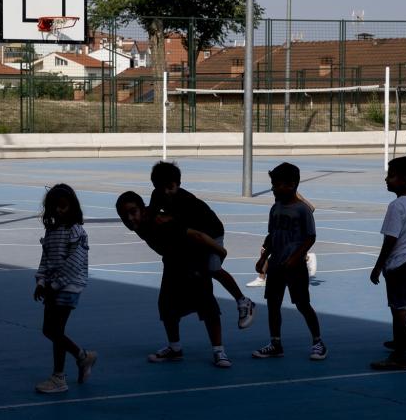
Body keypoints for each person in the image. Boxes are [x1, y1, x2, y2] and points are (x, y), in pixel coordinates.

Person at [116, 191, 232, 368]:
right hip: (172, 262)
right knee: (166, 306)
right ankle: (175, 348)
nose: (130, 218)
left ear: (143, 209)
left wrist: (220, 250)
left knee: (207, 305)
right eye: (124, 216)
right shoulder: (139, 226)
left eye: (133, 212)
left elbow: (195, 235)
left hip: (192, 258)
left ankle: (219, 350)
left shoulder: (160, 222)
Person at [148, 161, 255, 329]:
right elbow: (153, 216)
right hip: (194, 235)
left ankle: (243, 301)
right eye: (161, 188)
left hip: (211, 232)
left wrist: (169, 219)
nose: (166, 192)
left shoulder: (187, 201)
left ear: (179, 184)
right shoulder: (157, 195)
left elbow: (193, 232)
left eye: (170, 187)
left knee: (213, 269)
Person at [251, 163, 328, 361]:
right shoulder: (275, 208)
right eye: (273, 184)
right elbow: (271, 236)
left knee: (303, 304)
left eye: (277, 185)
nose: (273, 188)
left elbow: (310, 237)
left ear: (291, 185)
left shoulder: (302, 210)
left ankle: (318, 342)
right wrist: (263, 258)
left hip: (295, 267)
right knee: (273, 305)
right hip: (276, 265)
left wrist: (295, 258)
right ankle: (275, 343)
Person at [33, 183, 97, 394]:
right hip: (53, 286)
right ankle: (65, 370)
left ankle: (75, 363)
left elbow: (73, 265)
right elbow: (45, 259)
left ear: (72, 206)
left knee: (52, 330)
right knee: (53, 330)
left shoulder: (75, 231)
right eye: (55, 207)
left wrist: (53, 285)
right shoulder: (52, 231)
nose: (59, 211)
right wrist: (41, 282)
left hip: (68, 287)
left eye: (63, 206)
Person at [369, 156, 406, 370]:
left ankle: (400, 356)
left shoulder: (396, 206)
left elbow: (390, 239)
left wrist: (378, 267)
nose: (386, 179)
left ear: (403, 179)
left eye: (391, 175)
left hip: (401, 264)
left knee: (399, 311)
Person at [247, 192, 317, 287]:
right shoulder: (281, 191)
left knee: (267, 250)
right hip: (280, 228)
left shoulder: (294, 193)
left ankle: (307, 257)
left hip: (289, 230)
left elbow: (311, 208)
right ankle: (262, 278)